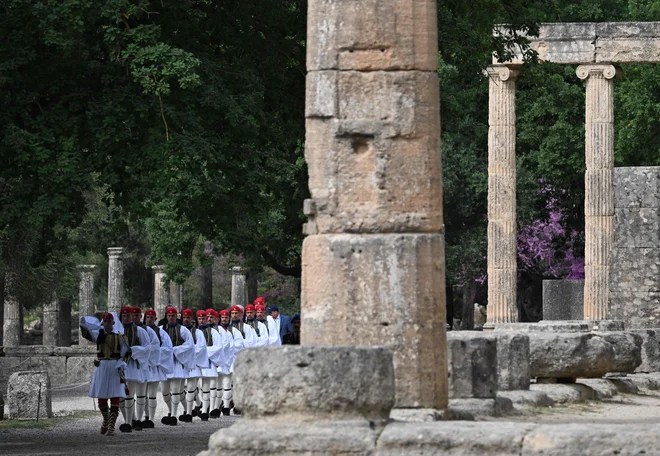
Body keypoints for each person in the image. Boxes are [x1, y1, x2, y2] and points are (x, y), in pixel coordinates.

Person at [79, 311, 128, 436]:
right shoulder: (98, 335)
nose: (106, 323)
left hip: (114, 366)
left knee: (114, 395)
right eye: (104, 321)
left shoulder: (119, 336)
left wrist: (122, 363)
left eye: (109, 321)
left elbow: (127, 351)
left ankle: (111, 426)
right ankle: (106, 419)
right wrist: (83, 322)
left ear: (113, 322)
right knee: (101, 396)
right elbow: (85, 333)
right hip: (102, 366)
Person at [118, 306, 151, 432]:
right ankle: (131, 418)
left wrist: (133, 351)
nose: (126, 318)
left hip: (132, 366)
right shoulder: (117, 331)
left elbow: (147, 348)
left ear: (132, 316)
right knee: (121, 396)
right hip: (120, 366)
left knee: (129, 394)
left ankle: (128, 422)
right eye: (124, 316)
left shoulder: (139, 331)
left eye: (128, 316)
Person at [161, 306, 195, 425]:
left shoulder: (183, 330)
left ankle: (174, 415)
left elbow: (189, 345)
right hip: (165, 363)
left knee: (176, 390)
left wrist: (175, 350)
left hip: (177, 362)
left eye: (173, 316)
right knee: (165, 391)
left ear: (176, 316)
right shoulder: (161, 329)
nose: (171, 317)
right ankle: (173, 410)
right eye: (169, 315)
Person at [141, 308, 173, 428]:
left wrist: (155, 354)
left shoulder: (160, 332)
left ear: (155, 319)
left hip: (154, 367)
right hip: (144, 366)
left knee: (152, 394)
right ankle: (146, 416)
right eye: (147, 317)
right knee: (142, 394)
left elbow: (168, 348)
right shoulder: (141, 330)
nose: (149, 319)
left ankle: (152, 418)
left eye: (151, 317)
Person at [180, 308, 208, 423]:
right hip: (181, 363)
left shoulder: (197, 332)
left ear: (191, 319)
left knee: (191, 388)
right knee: (180, 390)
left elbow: (201, 348)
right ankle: (198, 404)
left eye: (188, 317)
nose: (186, 320)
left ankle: (188, 413)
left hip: (193, 363)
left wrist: (186, 353)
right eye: (184, 317)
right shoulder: (179, 330)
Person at [197, 309, 222, 420]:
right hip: (199, 362)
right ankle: (204, 409)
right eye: (200, 318)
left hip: (210, 361)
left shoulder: (213, 332)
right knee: (203, 386)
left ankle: (212, 409)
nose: (202, 321)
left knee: (212, 385)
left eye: (204, 319)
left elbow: (218, 346)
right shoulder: (195, 331)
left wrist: (204, 352)